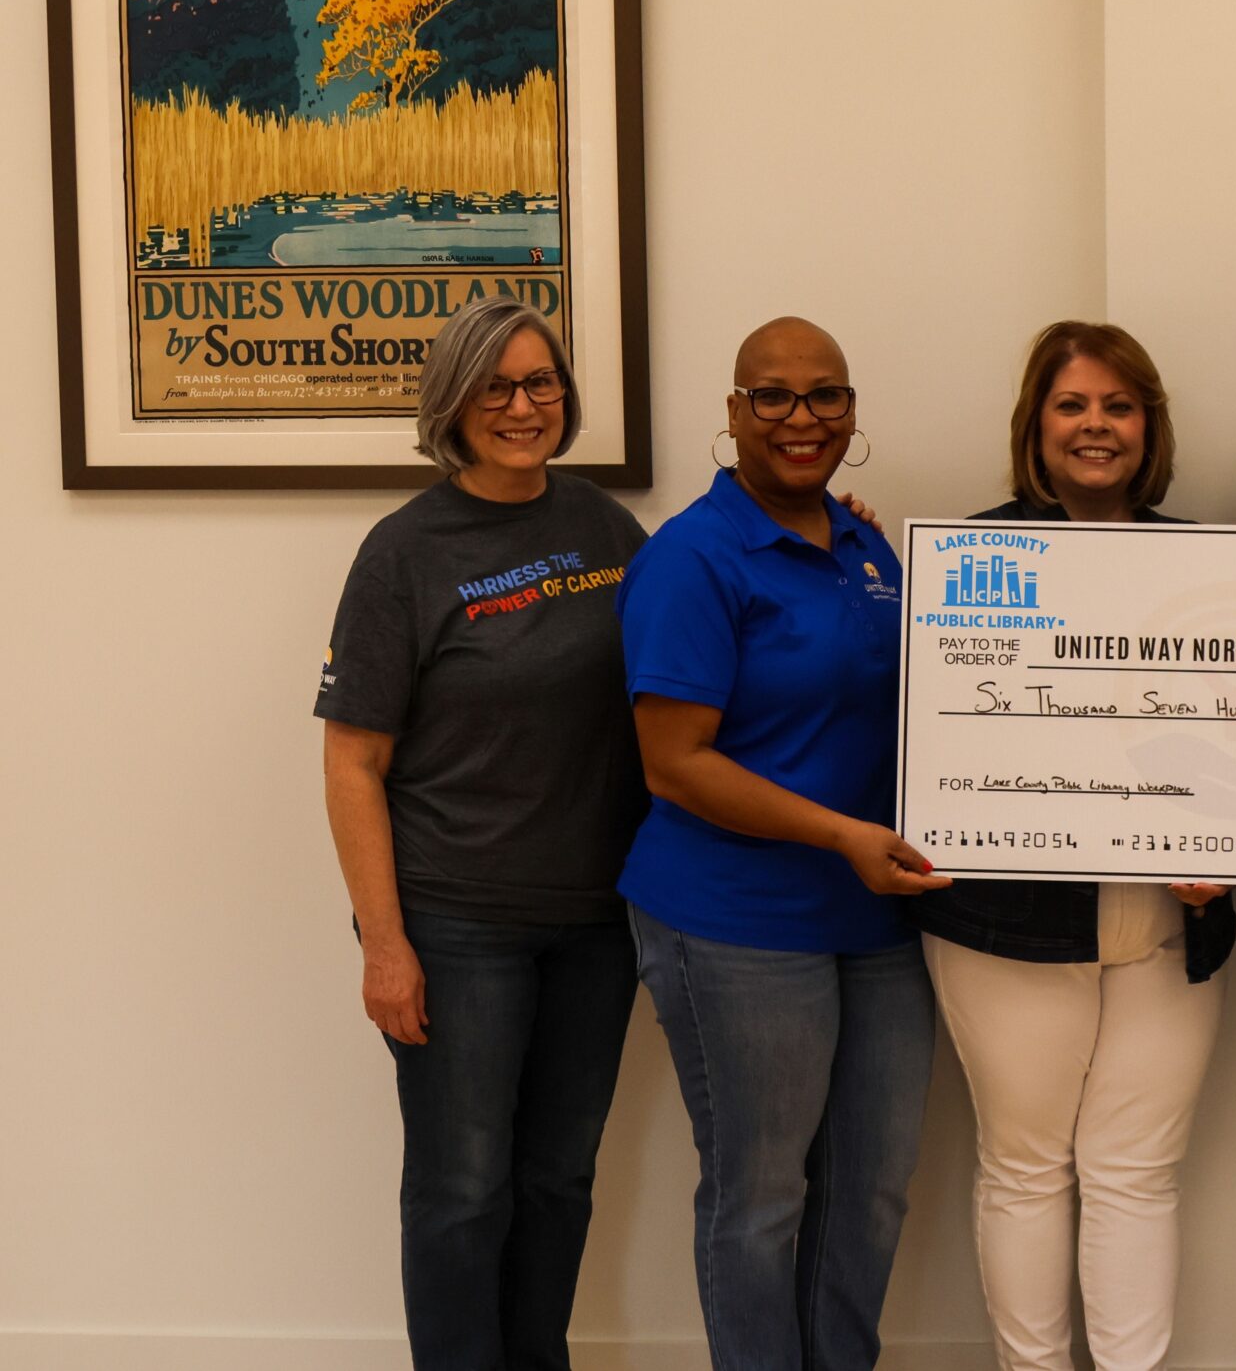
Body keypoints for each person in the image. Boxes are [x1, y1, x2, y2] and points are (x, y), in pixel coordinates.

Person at [315, 297, 646, 1371]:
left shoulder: (606, 529)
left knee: (557, 1183)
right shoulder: (403, 552)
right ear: (452, 403)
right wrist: (384, 943)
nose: (522, 406)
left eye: (540, 382)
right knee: (461, 1190)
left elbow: (696, 643)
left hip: (596, 923)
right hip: (457, 926)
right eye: (494, 386)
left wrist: (834, 525)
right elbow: (353, 762)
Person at [617, 316, 950, 1371]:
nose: (801, 418)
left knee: (872, 1189)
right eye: (773, 396)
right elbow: (674, 764)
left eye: (825, 395)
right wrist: (840, 833)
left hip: (874, 920)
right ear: (734, 411)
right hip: (736, 921)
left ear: (851, 411)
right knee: (760, 1197)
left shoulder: (865, 546)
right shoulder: (691, 559)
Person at [909, 320, 1236, 1371]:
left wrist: (1234, 850)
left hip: (1169, 921)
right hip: (1006, 922)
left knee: (1136, 1172)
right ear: (1036, 425)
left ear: (1148, 427)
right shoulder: (966, 563)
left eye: (1118, 406)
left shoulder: (1212, 566)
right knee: (1025, 1168)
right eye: (1072, 405)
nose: (1096, 426)